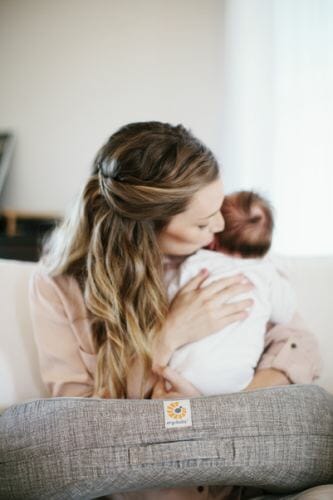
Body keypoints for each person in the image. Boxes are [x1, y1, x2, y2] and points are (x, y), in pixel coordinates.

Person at [29, 121, 323, 499]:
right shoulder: (60, 286)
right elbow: (81, 424)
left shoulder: (217, 256)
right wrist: (168, 336)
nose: (220, 226)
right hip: (145, 481)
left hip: (233, 472)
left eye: (219, 209)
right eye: (203, 222)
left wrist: (224, 405)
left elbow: (299, 343)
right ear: (144, 229)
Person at [166, 191, 297, 396]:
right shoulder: (267, 273)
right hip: (235, 381)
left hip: (182, 373)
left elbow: (170, 299)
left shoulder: (197, 263)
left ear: (214, 239)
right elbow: (284, 314)